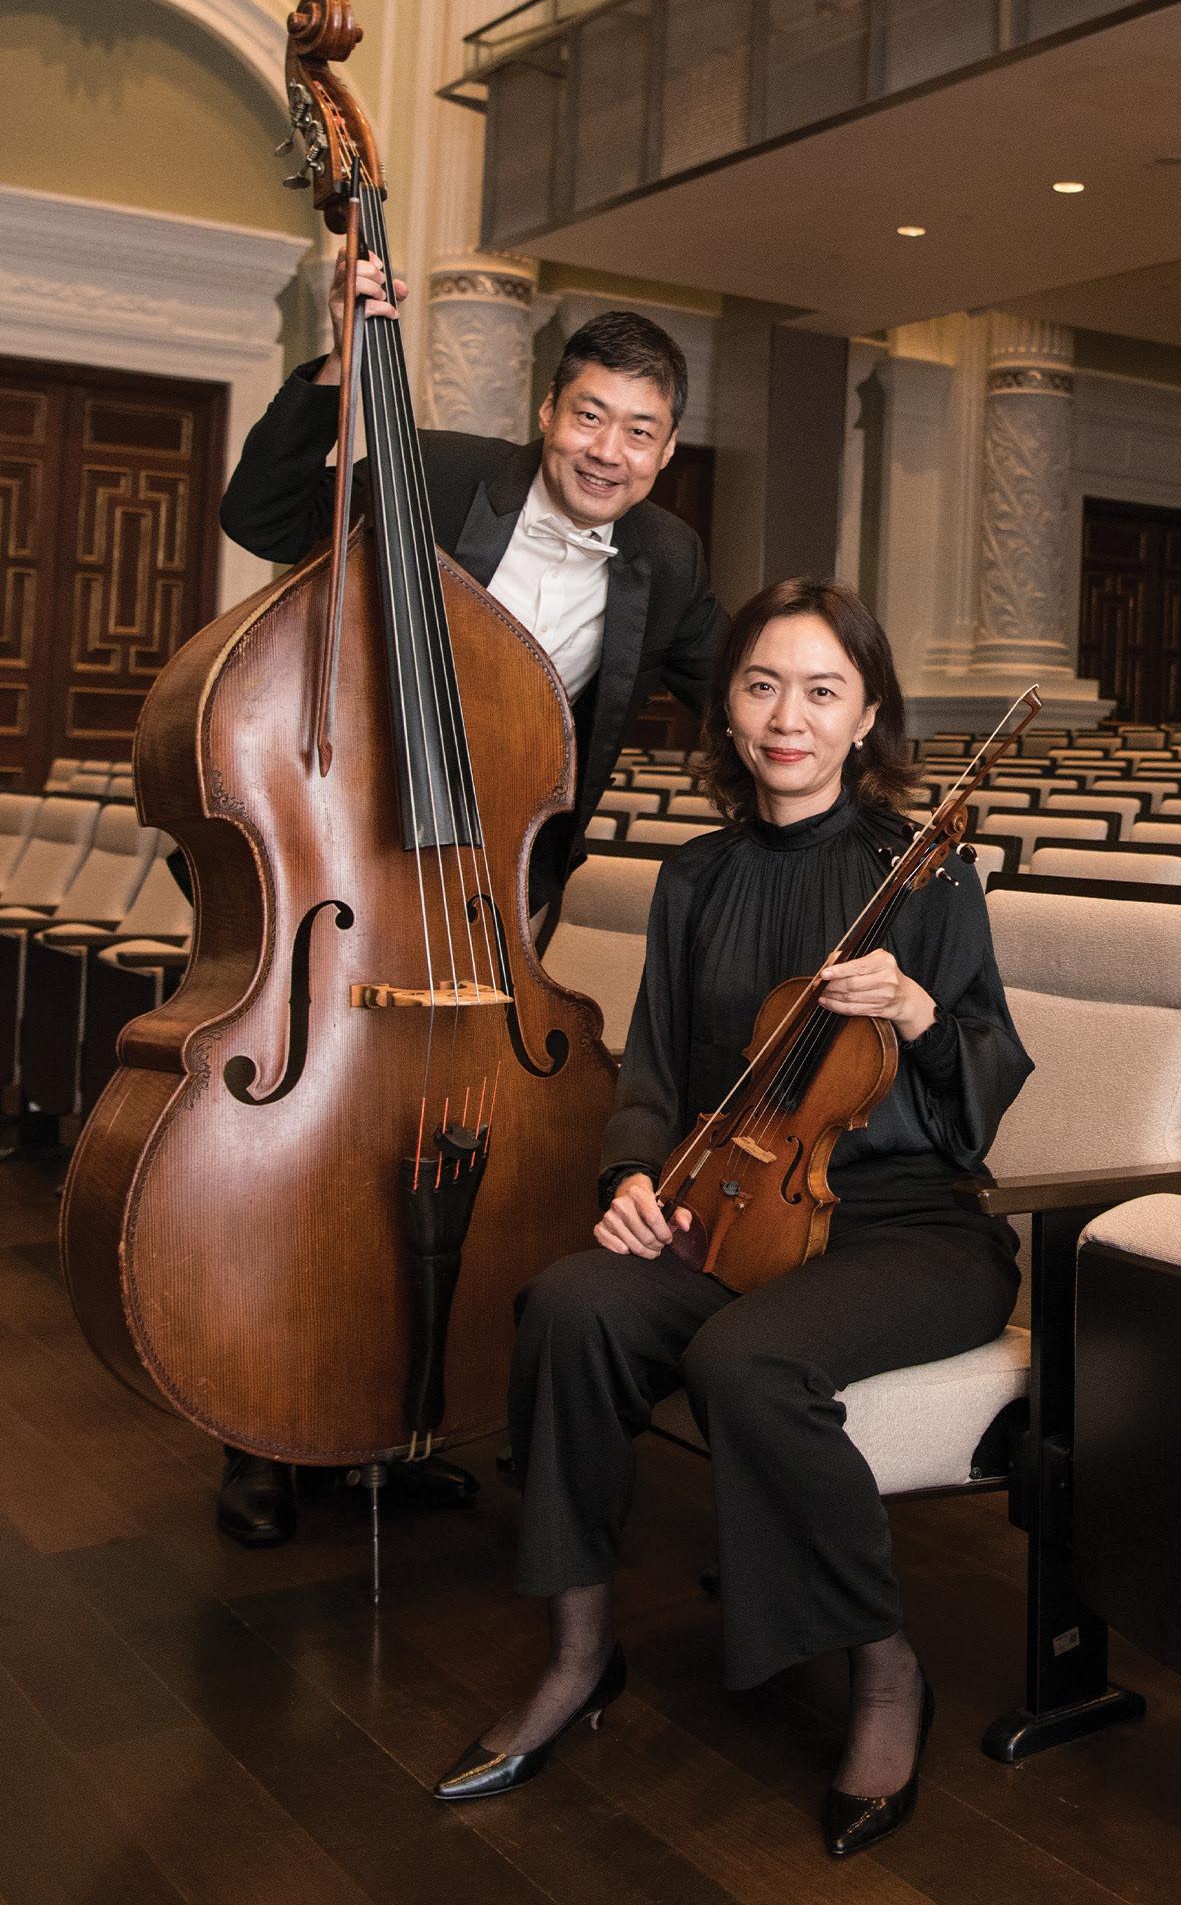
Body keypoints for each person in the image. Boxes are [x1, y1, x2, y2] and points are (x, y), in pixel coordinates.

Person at [432, 578, 1033, 1859]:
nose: (786, 717)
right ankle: (578, 1652)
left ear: (866, 715)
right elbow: (654, 1072)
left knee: (743, 1358)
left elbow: (979, 1100)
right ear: (726, 708)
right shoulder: (696, 875)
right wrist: (631, 1177)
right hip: (739, 1207)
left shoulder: (925, 875)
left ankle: (882, 1665)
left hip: (909, 1226)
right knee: (571, 1305)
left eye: (820, 690)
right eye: (761, 685)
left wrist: (920, 1013)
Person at [210, 242, 726, 1550]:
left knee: (438, 1146)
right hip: (347, 863)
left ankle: (403, 1417)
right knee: (310, 1147)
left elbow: (736, 684)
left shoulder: (666, 554)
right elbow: (262, 515)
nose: (610, 449)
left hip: (496, 895)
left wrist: (850, 743)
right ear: (549, 410)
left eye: (641, 431)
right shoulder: (437, 473)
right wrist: (337, 368)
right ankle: (261, 1428)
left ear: (667, 451)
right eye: (592, 415)